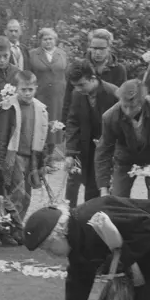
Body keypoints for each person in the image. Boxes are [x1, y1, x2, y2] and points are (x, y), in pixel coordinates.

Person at [95, 80, 150, 200]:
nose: (128, 112)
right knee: (118, 201)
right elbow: (103, 151)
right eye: (124, 106)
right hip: (125, 160)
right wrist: (103, 188)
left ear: (143, 101)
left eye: (133, 107)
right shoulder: (109, 117)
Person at [0, 69, 49, 225]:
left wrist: (43, 162)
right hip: (14, 156)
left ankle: (18, 225)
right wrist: (1, 161)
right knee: (16, 193)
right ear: (16, 88)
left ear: (36, 88)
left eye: (31, 89)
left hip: (32, 157)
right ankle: (8, 228)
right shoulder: (9, 107)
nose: (27, 93)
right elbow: (0, 137)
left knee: (27, 195)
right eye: (23, 90)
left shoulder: (40, 108)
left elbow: (43, 136)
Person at [63, 59, 118, 208]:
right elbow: (73, 122)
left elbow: (122, 125)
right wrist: (70, 153)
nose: (79, 89)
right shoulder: (77, 94)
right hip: (86, 149)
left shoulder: (113, 93)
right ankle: (78, 222)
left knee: (105, 189)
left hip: (108, 151)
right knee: (83, 188)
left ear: (93, 78)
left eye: (82, 84)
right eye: (75, 86)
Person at [61, 29, 127, 123]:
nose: (97, 52)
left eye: (102, 49)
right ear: (89, 47)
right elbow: (68, 99)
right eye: (94, 48)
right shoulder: (79, 67)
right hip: (83, 122)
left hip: (108, 122)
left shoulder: (119, 70)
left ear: (109, 48)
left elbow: (121, 101)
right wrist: (64, 124)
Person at [26, 27, 67, 168]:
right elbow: (28, 74)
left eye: (50, 39)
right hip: (40, 95)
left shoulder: (62, 54)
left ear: (55, 40)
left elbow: (66, 73)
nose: (48, 41)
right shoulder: (32, 54)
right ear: (40, 41)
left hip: (57, 96)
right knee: (40, 124)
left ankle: (50, 159)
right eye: (45, 39)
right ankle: (38, 160)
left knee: (54, 126)